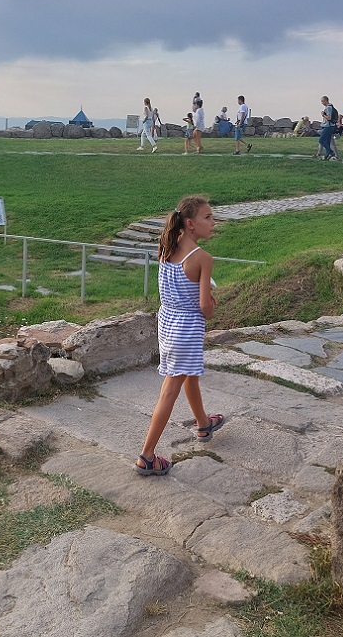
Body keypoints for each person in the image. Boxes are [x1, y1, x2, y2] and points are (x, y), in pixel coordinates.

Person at [135, 195, 223, 476]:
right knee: (170, 389)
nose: (213, 222)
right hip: (188, 326)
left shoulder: (165, 247)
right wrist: (210, 302)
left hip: (168, 320)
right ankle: (147, 456)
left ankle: (203, 423)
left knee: (189, 374)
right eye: (207, 217)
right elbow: (204, 308)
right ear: (190, 223)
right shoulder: (202, 258)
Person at [318, 96, 340, 160]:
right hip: (331, 126)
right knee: (327, 141)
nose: (322, 103)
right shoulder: (331, 107)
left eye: (322, 101)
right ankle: (327, 155)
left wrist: (323, 115)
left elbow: (329, 118)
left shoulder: (328, 108)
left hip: (328, 126)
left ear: (326, 100)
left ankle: (330, 151)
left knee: (321, 140)